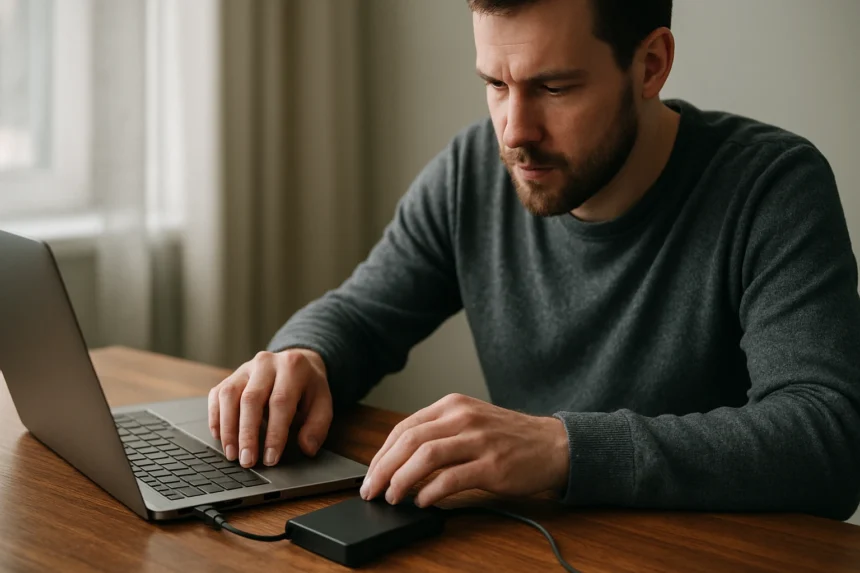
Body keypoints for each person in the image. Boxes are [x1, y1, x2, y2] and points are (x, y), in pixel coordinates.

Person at [208, 0, 860, 519]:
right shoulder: (472, 172)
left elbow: (829, 439)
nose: (514, 131)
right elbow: (362, 315)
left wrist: (561, 448)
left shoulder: (772, 187)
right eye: (495, 83)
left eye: (553, 86)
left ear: (651, 65)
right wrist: (304, 356)